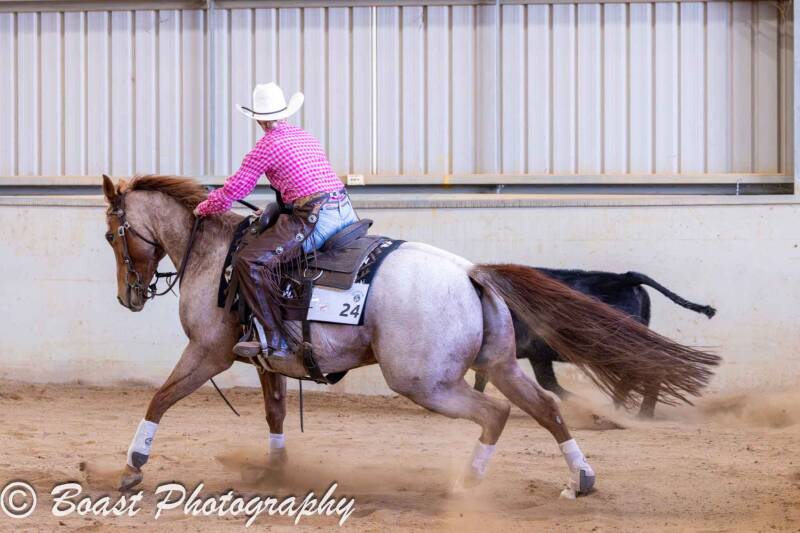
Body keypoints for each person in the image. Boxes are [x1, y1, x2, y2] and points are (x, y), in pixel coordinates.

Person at [194, 82, 358, 358]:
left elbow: (234, 190)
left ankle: (275, 339)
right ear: (285, 112)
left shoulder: (266, 147)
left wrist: (204, 208)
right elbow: (303, 183)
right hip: (346, 211)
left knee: (250, 262)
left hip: (317, 219)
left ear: (258, 119)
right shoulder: (304, 136)